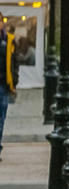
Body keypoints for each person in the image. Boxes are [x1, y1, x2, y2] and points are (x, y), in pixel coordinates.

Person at [0, 21, 15, 163]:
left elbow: (14, 62)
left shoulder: (8, 40)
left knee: (1, 118)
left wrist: (14, 81)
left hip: (3, 85)